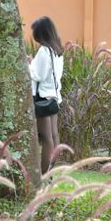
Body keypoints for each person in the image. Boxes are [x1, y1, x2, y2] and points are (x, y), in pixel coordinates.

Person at [30, 16, 65, 174]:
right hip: (54, 97)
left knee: (46, 138)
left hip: (43, 97)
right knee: (54, 136)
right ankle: (51, 171)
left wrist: (28, 64)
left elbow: (38, 75)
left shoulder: (44, 51)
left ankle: (44, 174)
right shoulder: (58, 50)